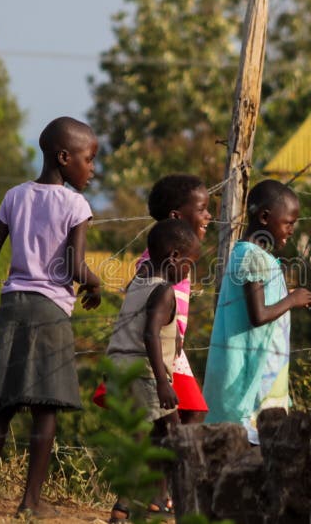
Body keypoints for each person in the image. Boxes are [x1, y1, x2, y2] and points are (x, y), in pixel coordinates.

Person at [0, 117, 102, 519]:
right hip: (50, 312)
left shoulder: (15, 195)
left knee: (1, 405)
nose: (92, 168)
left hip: (12, 306)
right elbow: (75, 265)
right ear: (64, 158)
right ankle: (29, 503)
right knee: (46, 408)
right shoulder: (76, 204)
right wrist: (97, 285)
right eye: (88, 159)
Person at [203, 179, 311, 444]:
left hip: (262, 373)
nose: (291, 230)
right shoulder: (252, 256)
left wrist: (289, 296)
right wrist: (293, 300)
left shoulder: (255, 256)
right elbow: (259, 315)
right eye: (288, 223)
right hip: (249, 380)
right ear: (265, 217)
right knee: (252, 453)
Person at [93, 174, 212, 424]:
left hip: (168, 345)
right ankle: (180, 460)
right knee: (189, 413)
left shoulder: (175, 254)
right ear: (176, 216)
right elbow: (141, 290)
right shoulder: (158, 259)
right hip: (160, 348)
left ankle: (171, 458)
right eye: (202, 209)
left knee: (179, 415)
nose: (209, 216)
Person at [105, 218, 201, 523]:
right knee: (166, 434)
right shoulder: (163, 293)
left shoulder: (137, 285)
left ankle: (153, 500)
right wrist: (162, 380)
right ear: (174, 257)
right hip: (146, 373)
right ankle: (127, 504)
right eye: (188, 265)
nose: (188, 272)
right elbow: (149, 334)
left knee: (161, 432)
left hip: (120, 366)